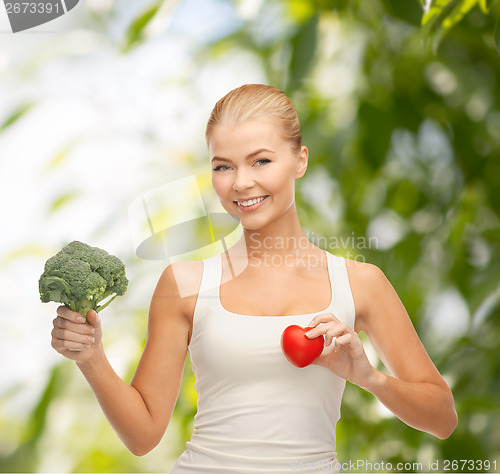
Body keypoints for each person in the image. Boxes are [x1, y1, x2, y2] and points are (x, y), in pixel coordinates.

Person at [51, 84, 458, 473]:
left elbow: (442, 418)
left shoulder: (359, 283)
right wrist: (92, 358)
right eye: (223, 166)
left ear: (300, 160)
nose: (241, 182)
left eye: (260, 161)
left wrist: (369, 378)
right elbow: (143, 436)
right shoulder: (184, 283)